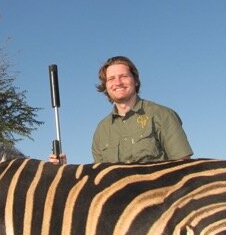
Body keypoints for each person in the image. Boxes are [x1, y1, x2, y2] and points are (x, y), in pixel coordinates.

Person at [49, 56, 193, 164]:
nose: (117, 82)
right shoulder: (102, 130)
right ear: (105, 86)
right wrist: (64, 168)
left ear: (135, 80)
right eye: (111, 79)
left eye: (123, 76)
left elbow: (183, 166)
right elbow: (100, 179)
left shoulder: (163, 115)